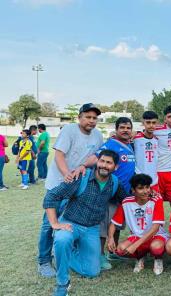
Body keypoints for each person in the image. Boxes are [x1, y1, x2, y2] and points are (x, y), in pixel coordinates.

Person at [43, 150, 128, 296]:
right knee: (63, 239)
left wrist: (149, 195)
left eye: (109, 163)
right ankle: (62, 283)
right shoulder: (81, 177)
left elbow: (127, 201)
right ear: (97, 161)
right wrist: (55, 223)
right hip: (71, 223)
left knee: (92, 272)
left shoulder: (114, 183)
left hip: (91, 229)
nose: (104, 165)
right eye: (102, 161)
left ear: (115, 167)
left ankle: (63, 253)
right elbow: (52, 196)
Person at [37, 103, 104, 278]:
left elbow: (95, 157)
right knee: (49, 223)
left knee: (71, 221)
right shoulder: (69, 131)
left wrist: (83, 167)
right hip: (59, 183)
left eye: (94, 118)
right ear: (79, 117)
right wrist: (68, 174)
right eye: (88, 117)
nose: (91, 121)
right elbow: (59, 155)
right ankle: (44, 261)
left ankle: (65, 252)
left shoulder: (97, 135)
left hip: (79, 188)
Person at [108, 173, 169, 275]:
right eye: (141, 188)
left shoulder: (156, 200)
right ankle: (140, 257)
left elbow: (155, 228)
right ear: (133, 190)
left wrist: (135, 245)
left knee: (156, 248)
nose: (146, 191)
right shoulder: (126, 202)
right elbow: (113, 224)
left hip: (156, 236)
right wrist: (110, 238)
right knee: (120, 250)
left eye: (147, 187)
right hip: (136, 236)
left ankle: (158, 259)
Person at [97, 117, 135, 269]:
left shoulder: (130, 145)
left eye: (128, 127)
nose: (125, 130)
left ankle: (113, 251)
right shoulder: (110, 144)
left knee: (118, 223)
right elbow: (98, 160)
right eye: (122, 127)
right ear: (116, 129)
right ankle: (99, 255)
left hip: (124, 193)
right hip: (111, 191)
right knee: (105, 225)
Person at [134, 111, 160, 192]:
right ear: (143, 123)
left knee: (156, 203)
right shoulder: (135, 138)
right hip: (140, 179)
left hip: (154, 181)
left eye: (154, 122)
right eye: (148, 122)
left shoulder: (157, 139)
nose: (151, 125)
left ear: (157, 123)